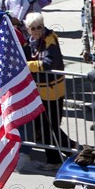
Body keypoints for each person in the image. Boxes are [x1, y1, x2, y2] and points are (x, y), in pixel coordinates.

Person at [24, 12, 76, 170]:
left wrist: (27, 65)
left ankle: (55, 159)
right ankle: (72, 149)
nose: (36, 31)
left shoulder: (50, 39)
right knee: (44, 125)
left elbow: (48, 62)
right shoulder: (30, 42)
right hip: (39, 91)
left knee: (50, 126)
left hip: (53, 92)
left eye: (39, 27)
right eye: (33, 28)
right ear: (28, 29)